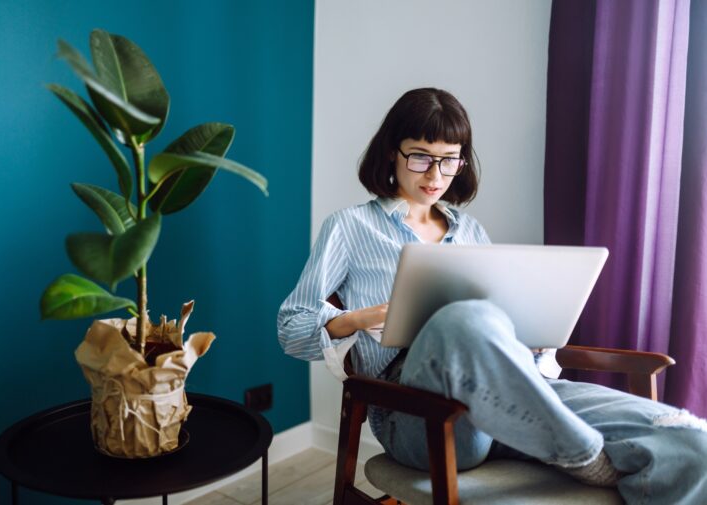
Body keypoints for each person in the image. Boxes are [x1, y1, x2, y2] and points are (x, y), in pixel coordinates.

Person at [277, 88, 707, 504]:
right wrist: (358, 318)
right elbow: (292, 329)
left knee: (690, 442)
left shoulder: (470, 231)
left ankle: (571, 439)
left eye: (449, 161)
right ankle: (578, 452)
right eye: (421, 156)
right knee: (460, 320)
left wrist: (525, 332)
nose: (435, 176)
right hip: (418, 412)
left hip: (514, 395)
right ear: (392, 151)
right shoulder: (350, 227)